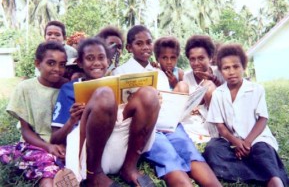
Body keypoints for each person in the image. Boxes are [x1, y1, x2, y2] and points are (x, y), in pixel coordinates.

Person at [113, 25, 222, 187]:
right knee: (169, 159)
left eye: (149, 42)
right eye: (139, 43)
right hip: (146, 129)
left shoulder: (159, 73)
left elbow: (169, 100)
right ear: (129, 47)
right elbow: (121, 112)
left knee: (190, 154)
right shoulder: (120, 73)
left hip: (169, 124)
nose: (145, 47)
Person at [51, 37, 159, 187]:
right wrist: (72, 120)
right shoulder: (70, 89)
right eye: (90, 58)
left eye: (101, 58)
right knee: (105, 95)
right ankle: (94, 176)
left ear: (108, 61)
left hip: (120, 144)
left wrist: (152, 103)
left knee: (150, 94)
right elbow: (54, 138)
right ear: (80, 63)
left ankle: (129, 168)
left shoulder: (117, 82)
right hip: (88, 153)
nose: (96, 63)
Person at [203, 44, 289, 187]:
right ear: (220, 70)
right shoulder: (218, 94)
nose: (231, 71)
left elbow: (263, 119)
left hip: (255, 139)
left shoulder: (256, 89)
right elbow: (220, 126)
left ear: (243, 67)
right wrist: (236, 142)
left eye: (236, 66)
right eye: (226, 68)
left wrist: (247, 142)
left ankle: (272, 179)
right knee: (212, 149)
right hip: (231, 141)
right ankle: (256, 170)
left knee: (264, 152)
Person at [0, 42, 71, 187]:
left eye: (62, 64)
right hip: (35, 144)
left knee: (55, 170)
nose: (57, 69)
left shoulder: (69, 89)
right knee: (45, 169)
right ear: (38, 64)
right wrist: (48, 147)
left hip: (63, 146)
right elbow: (26, 131)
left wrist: (62, 146)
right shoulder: (25, 88)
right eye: (51, 63)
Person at [182, 35, 224, 143]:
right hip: (198, 120)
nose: (196, 63)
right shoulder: (186, 77)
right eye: (192, 59)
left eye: (201, 58)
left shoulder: (220, 73)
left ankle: (218, 135)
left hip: (221, 118)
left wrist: (213, 84)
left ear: (210, 58)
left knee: (208, 86)